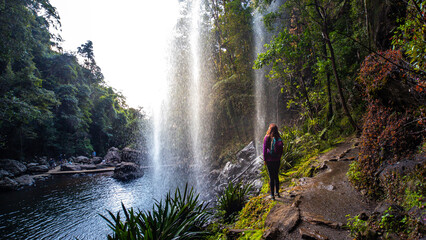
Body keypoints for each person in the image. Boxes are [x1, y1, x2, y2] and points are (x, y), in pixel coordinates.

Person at [263, 123, 283, 200]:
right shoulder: (278, 138)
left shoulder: (266, 138)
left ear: (270, 129)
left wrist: (265, 159)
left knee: (271, 177)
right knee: (276, 176)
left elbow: (264, 150)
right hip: (277, 160)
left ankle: (272, 195)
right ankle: (277, 192)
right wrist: (279, 157)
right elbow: (281, 151)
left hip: (269, 160)